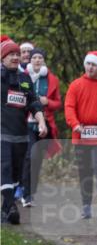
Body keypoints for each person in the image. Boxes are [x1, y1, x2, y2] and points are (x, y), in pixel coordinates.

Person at [64, 51, 97, 220]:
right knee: (85, 171)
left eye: (94, 65)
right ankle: (86, 205)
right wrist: (75, 124)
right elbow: (69, 107)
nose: (90, 67)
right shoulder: (76, 85)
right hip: (81, 134)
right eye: (88, 64)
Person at [1, 39, 47, 224]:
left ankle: (6, 208)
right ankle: (11, 206)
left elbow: (33, 103)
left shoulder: (24, 79)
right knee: (4, 168)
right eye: (10, 54)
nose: (15, 57)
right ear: (2, 58)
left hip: (21, 134)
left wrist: (42, 122)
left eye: (17, 54)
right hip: (2, 133)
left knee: (16, 174)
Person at [22, 48, 62, 206]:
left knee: (37, 158)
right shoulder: (23, 76)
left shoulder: (52, 79)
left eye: (40, 57)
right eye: (34, 57)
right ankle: (25, 194)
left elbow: (58, 103)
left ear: (44, 60)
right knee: (29, 156)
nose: (37, 60)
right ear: (30, 60)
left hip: (44, 124)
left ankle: (31, 192)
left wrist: (47, 102)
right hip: (26, 123)